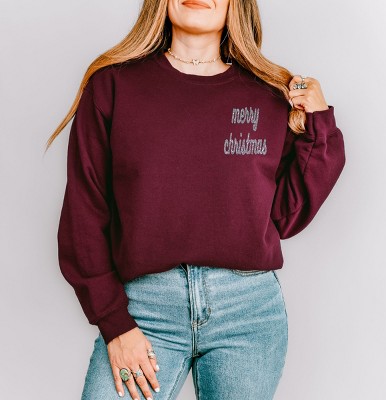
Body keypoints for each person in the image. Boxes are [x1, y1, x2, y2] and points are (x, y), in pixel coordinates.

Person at [46, 0, 346, 399]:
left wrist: (319, 122)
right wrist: (114, 323)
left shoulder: (269, 95)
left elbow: (285, 217)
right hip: (143, 310)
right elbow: (84, 213)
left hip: (248, 314)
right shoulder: (113, 86)